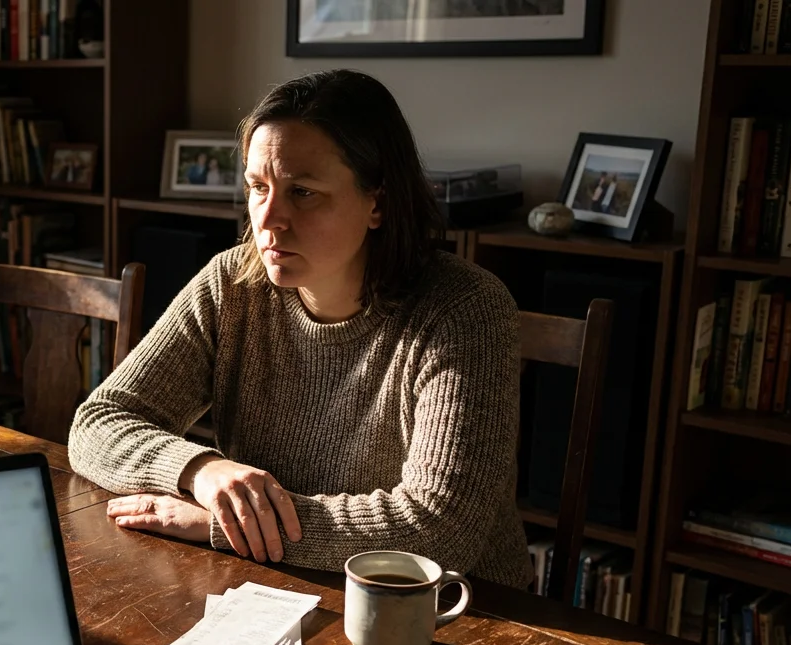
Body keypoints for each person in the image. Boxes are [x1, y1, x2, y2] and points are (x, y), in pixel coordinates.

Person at [68, 69, 532, 590]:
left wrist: (229, 524)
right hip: (273, 584)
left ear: (376, 202)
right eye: (257, 187)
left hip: (458, 610)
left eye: (304, 193)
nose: (268, 219)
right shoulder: (231, 282)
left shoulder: (465, 308)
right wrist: (200, 471)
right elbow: (98, 422)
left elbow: (438, 529)